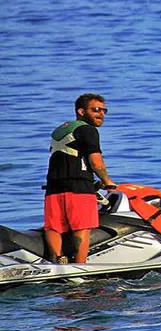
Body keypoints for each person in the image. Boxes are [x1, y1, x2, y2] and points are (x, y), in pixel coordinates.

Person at [44, 93, 116, 264]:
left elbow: (69, 159)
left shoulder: (60, 130)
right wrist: (107, 182)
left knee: (53, 227)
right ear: (81, 111)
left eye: (104, 110)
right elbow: (95, 161)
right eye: (96, 110)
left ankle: (58, 261)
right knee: (82, 227)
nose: (101, 114)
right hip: (79, 189)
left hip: (53, 189)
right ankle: (79, 266)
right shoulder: (88, 130)